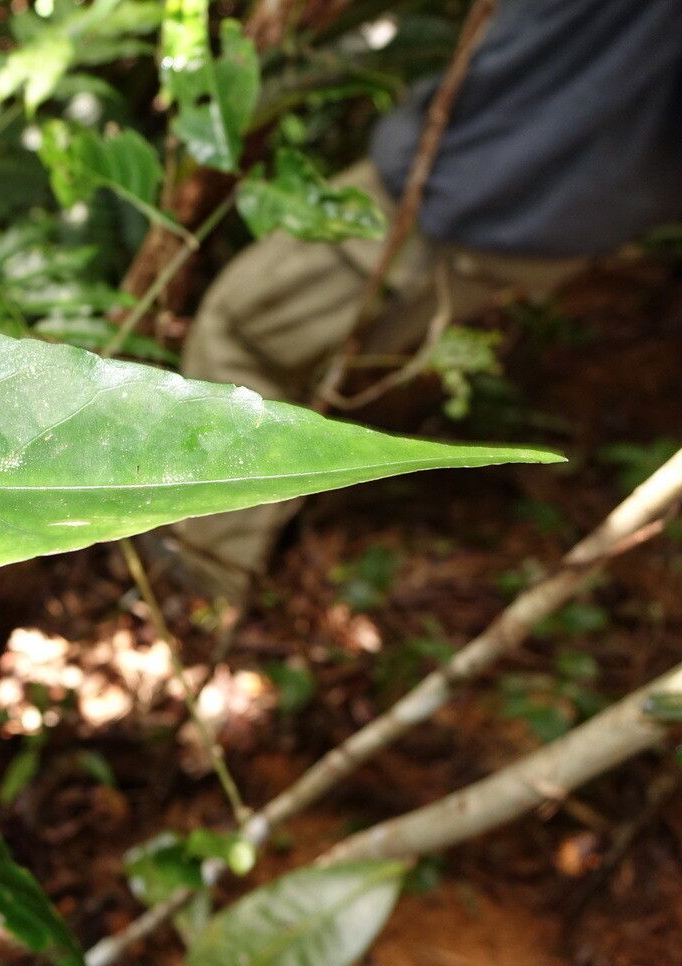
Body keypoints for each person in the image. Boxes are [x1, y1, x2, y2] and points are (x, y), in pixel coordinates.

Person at [171, 0, 682, 600]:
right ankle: (259, 550)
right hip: (543, 227)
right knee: (328, 362)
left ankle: (204, 578)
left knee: (240, 335)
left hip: (452, 186)